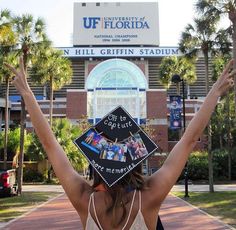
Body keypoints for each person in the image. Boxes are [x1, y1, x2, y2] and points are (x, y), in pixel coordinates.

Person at [4, 58, 235, 230]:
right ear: (135, 162)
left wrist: (27, 93)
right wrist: (213, 93)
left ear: (96, 164)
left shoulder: (85, 201)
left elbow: (49, 144)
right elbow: (188, 141)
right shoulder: (150, 197)